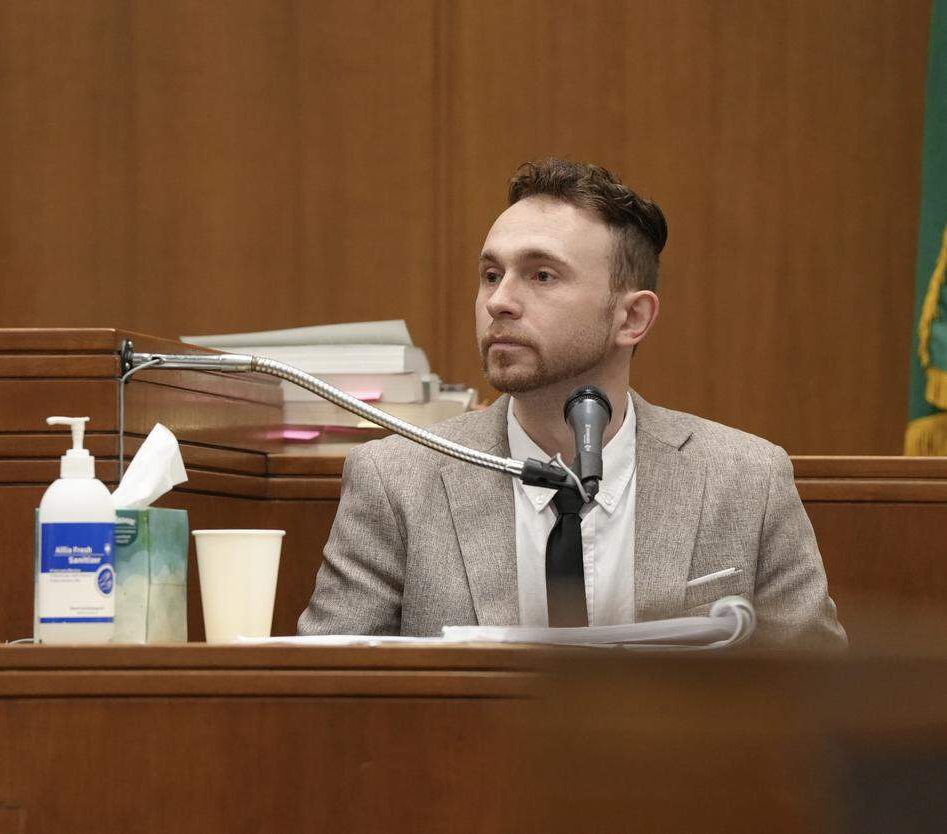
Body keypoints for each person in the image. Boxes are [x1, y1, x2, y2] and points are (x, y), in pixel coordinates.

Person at [298, 158, 846, 648]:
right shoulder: (394, 480)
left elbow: (817, 699)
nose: (499, 302)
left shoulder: (746, 480)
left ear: (631, 317)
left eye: (542, 275)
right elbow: (327, 697)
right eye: (491, 275)